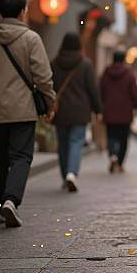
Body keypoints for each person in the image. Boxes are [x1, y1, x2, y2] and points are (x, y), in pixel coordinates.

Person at [0, 0, 55, 227]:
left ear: (0, 12)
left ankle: (1, 203)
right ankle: (11, 200)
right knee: (21, 156)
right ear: (22, 12)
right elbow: (43, 76)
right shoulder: (31, 39)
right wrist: (50, 102)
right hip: (22, 109)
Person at [51, 33, 101, 192]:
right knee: (76, 142)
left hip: (61, 111)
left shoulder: (54, 63)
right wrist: (98, 109)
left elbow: (49, 86)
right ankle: (71, 173)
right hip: (80, 111)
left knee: (63, 144)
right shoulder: (85, 64)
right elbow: (92, 89)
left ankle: (65, 174)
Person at [100, 50, 137, 172]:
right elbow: (135, 93)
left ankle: (113, 154)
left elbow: (101, 91)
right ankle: (120, 163)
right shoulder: (129, 74)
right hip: (125, 113)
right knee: (123, 139)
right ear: (124, 59)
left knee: (111, 135)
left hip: (109, 111)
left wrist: (101, 107)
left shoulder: (106, 73)